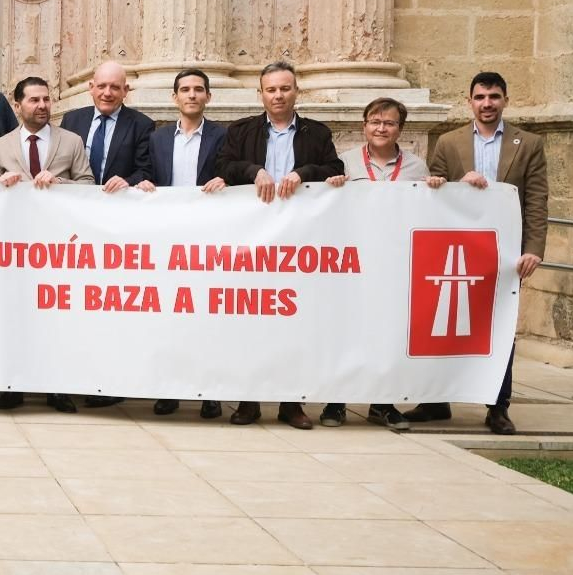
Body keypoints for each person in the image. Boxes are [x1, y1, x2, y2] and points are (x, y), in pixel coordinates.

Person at [216, 61, 346, 430]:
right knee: (251, 318)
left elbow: (334, 168)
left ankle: (291, 403)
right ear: (260, 94)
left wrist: (303, 174)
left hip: (298, 242)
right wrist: (253, 171)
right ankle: (249, 401)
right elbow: (223, 165)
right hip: (251, 241)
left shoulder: (316, 133)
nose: (278, 96)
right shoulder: (241, 131)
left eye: (285, 89)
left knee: (295, 321)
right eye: (271, 89)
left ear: (296, 92)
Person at [419, 71, 548, 436]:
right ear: (469, 101)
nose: (487, 103)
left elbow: (537, 200)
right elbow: (434, 190)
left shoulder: (529, 143)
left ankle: (498, 406)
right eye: (480, 97)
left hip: (505, 253)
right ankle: (436, 401)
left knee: (500, 328)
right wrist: (458, 185)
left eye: (493, 97)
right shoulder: (449, 142)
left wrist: (533, 250)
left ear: (505, 100)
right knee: (444, 321)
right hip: (457, 248)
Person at [314, 97, 433, 431]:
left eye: (389, 123)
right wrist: (331, 187)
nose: (381, 128)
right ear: (364, 125)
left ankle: (383, 403)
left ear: (400, 129)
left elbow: (427, 213)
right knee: (346, 330)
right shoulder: (344, 162)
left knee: (388, 333)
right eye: (375, 122)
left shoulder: (416, 168)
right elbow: (325, 208)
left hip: (396, 263)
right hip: (352, 262)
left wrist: (435, 190)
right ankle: (336, 401)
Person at [0, 76, 94, 412]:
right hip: (15, 249)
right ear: (17, 105)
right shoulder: (1, 145)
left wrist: (59, 182)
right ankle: (13, 386)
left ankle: (56, 388)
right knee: (15, 315)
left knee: (55, 319)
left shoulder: (71, 141)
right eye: (34, 100)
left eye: (46, 99)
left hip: (58, 248)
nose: (42, 105)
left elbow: (88, 184)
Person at [138, 67, 228, 421]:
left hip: (208, 238)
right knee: (168, 316)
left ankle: (210, 392)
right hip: (167, 238)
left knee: (207, 316)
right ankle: (169, 390)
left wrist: (225, 180)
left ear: (208, 97)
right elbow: (146, 172)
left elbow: (232, 172)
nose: (192, 95)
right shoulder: (158, 137)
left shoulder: (223, 136)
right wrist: (144, 183)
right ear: (174, 97)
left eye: (198, 89)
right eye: (185, 89)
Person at [59, 60, 154, 193]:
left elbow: (145, 170)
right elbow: (60, 165)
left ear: (125, 90)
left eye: (114, 87)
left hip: (117, 200)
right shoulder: (71, 121)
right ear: (91, 88)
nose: (107, 93)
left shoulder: (142, 125)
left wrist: (127, 181)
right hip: (75, 199)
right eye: (101, 86)